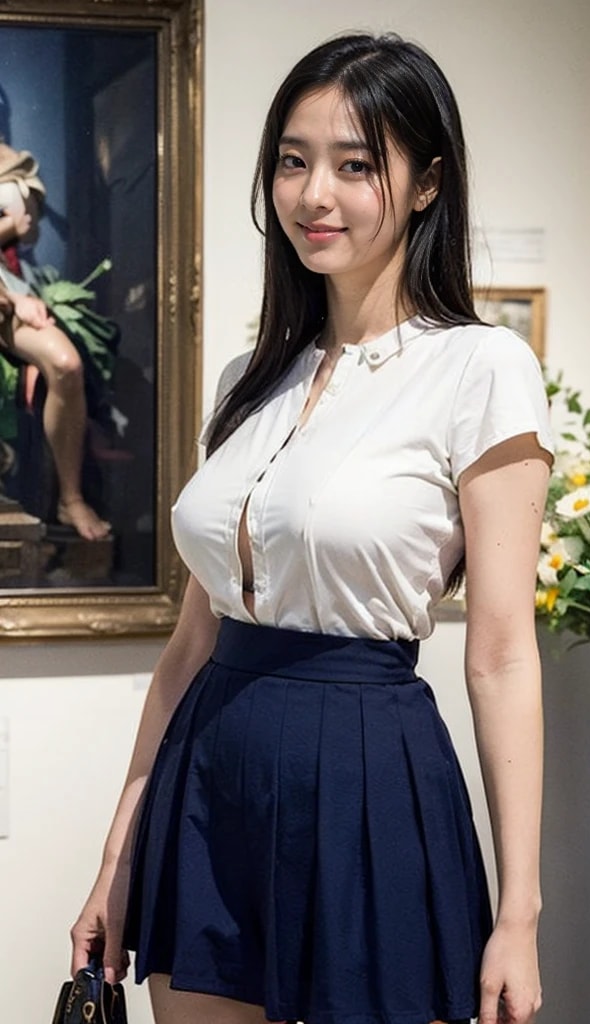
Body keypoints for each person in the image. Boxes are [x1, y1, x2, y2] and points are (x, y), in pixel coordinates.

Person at [70, 32, 553, 1024]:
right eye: (293, 161)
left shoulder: (479, 368)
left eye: (355, 164)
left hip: (368, 777)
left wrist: (519, 911)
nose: (313, 194)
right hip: (208, 778)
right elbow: (189, 645)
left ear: (426, 184)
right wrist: (116, 859)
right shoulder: (248, 381)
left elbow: (502, 654)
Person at [0, 142, 110, 540]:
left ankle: (70, 496)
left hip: (12, 284)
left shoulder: (12, 163)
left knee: (66, 363)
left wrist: (17, 297)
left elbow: (28, 227)